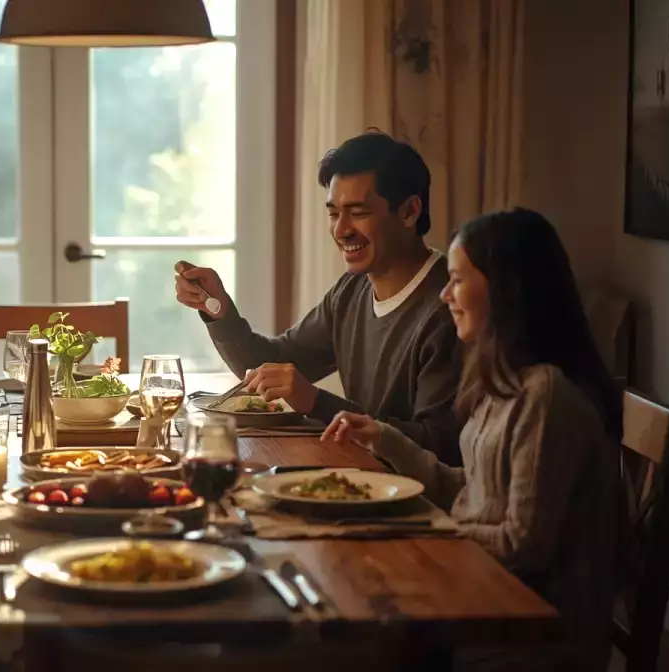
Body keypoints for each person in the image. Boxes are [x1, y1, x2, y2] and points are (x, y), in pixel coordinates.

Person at [322, 208, 620, 671]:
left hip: (527, 640)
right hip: (479, 603)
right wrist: (386, 439)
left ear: (507, 290)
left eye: (457, 280)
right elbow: (474, 492)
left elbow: (522, 545)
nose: (444, 296)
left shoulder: (546, 396)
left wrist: (420, 532)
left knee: (345, 642)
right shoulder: (504, 383)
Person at [176, 131, 462, 464]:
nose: (342, 230)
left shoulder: (451, 307)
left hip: (416, 502)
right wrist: (219, 310)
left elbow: (437, 445)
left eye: (358, 212)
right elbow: (272, 364)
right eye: (333, 213)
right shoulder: (351, 290)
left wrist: (315, 401)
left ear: (410, 211)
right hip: (358, 477)